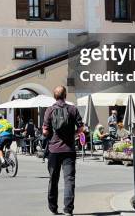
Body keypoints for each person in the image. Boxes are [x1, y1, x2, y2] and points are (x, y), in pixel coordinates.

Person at [43, 86, 83, 216]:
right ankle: (68, 210)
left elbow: (45, 131)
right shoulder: (73, 109)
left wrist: (49, 136)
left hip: (54, 150)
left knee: (53, 179)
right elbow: (81, 128)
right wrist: (74, 134)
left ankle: (53, 207)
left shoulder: (49, 110)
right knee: (69, 180)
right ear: (65, 95)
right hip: (69, 150)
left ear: (54, 96)